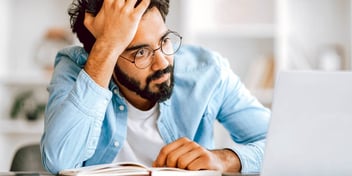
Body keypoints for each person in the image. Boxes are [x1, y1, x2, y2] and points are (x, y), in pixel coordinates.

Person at [40, 0, 270, 174]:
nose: (162, 62)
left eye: (164, 40)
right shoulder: (77, 68)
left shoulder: (207, 71)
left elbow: (279, 144)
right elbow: (60, 161)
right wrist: (106, 49)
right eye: (140, 52)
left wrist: (225, 159)